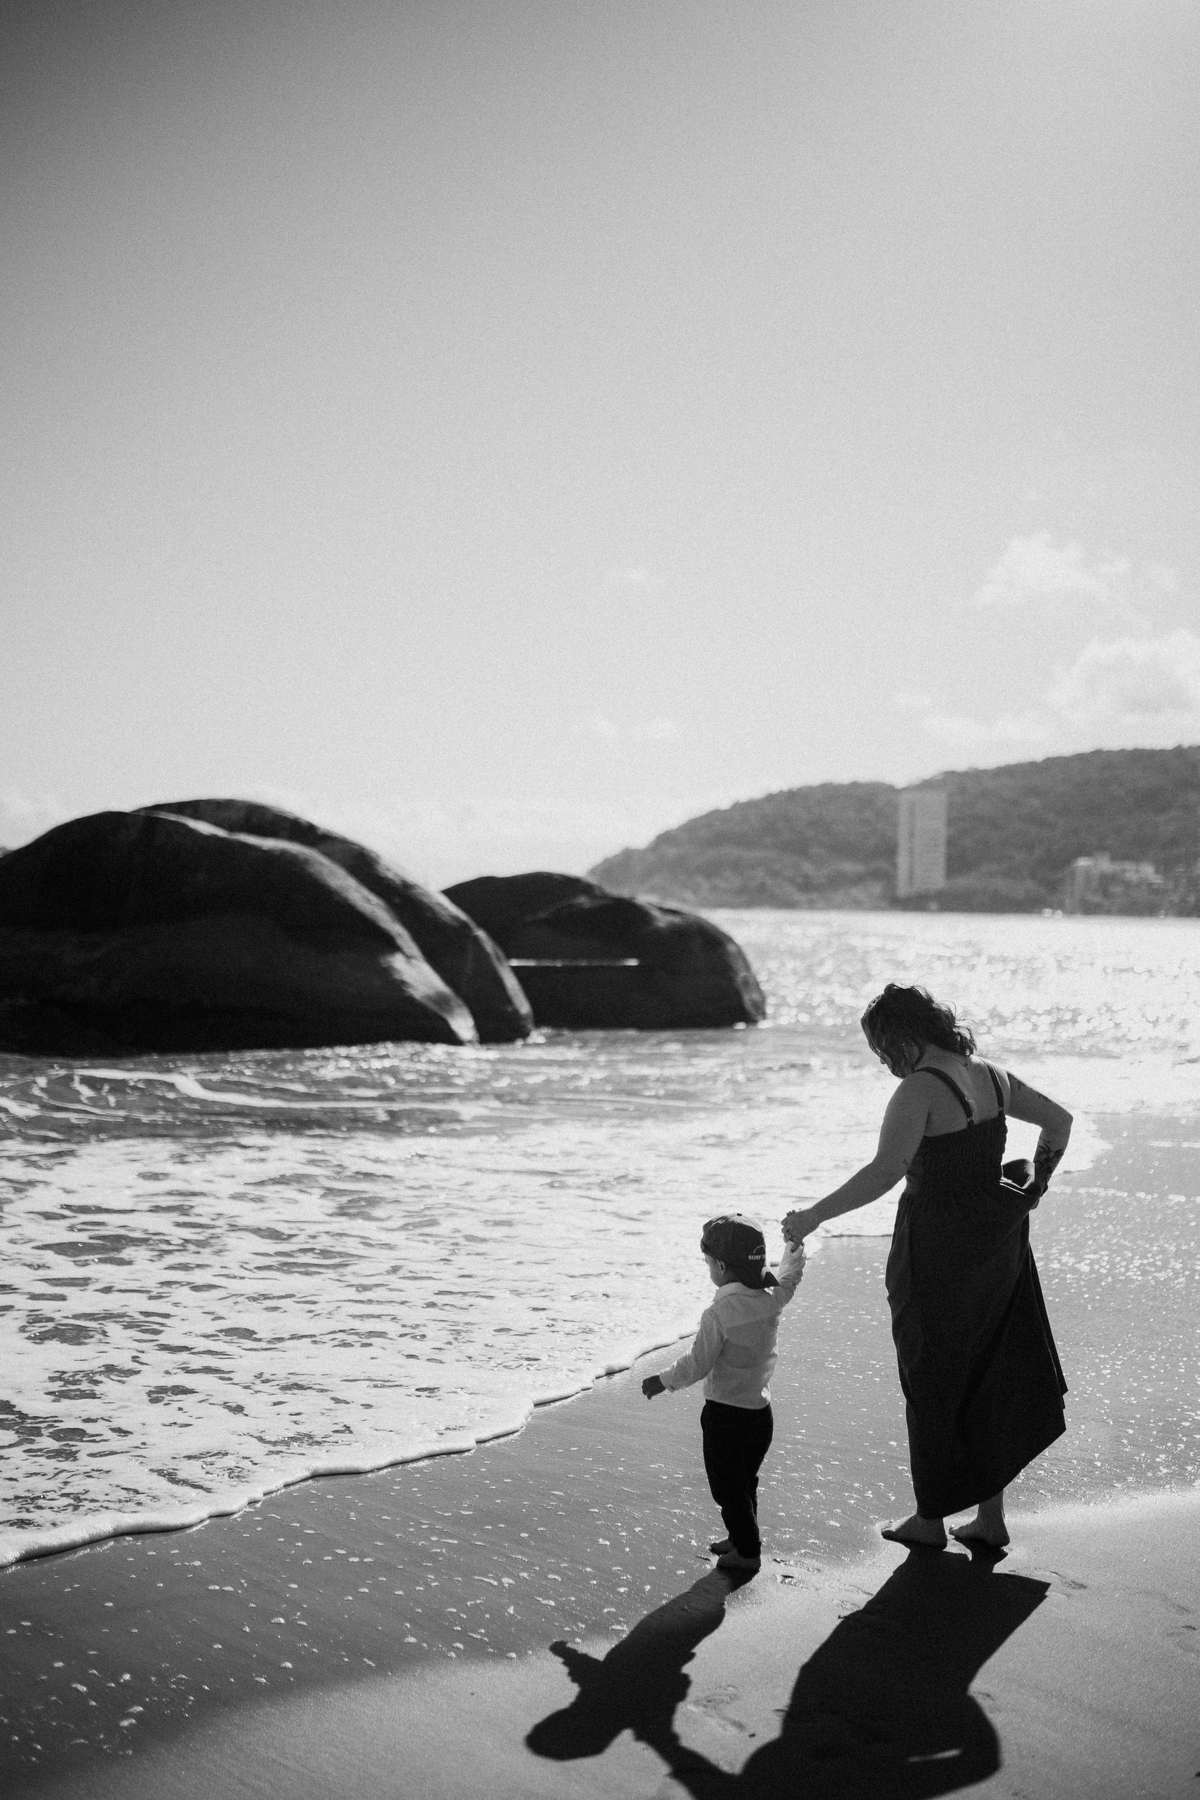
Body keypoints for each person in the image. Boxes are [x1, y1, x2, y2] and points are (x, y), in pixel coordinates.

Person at [782, 984, 1071, 1550]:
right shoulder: (992, 1076)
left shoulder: (919, 1090)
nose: (883, 1060)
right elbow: (1058, 1122)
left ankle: (930, 1520)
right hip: (998, 1237)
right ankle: (989, 1519)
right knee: (989, 1367)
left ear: (905, 1036)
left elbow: (885, 1171)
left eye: (883, 1047)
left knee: (930, 1374)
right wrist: (1037, 1183)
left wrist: (815, 1215)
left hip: (936, 1246)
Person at [642, 1216, 806, 1572]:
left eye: (707, 1264)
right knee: (744, 1483)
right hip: (760, 1415)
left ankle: (747, 1553)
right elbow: (789, 1278)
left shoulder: (718, 1314)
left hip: (725, 1417)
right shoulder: (771, 1299)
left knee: (727, 1489)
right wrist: (794, 1248)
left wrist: (664, 1380)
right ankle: (741, 1536)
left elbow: (698, 1363)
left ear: (720, 1266)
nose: (708, 1270)